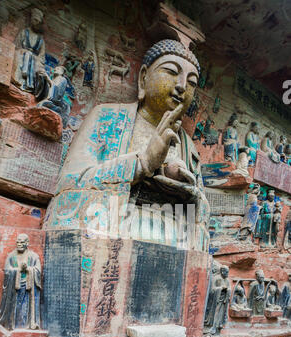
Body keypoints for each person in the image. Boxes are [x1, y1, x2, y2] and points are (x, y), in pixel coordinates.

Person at [45, 39, 210, 252]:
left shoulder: (189, 149)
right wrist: (143, 163)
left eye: (191, 82)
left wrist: (189, 190)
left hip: (173, 243)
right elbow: (70, 186)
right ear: (143, 78)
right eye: (170, 71)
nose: (181, 86)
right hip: (112, 235)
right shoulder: (107, 118)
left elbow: (203, 218)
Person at [0, 234, 42, 330]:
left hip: (28, 286)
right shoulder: (11, 256)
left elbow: (38, 271)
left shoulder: (34, 256)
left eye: (22, 242)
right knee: (15, 308)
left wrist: (28, 269)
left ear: (27, 243)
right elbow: (7, 271)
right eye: (18, 242)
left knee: (26, 309)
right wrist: (18, 270)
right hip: (14, 286)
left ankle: (27, 325)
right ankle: (12, 325)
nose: (19, 244)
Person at [13, 8, 47, 93]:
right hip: (22, 55)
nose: (36, 23)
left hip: (34, 59)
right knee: (26, 56)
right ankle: (22, 80)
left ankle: (31, 85)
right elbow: (16, 45)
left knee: (36, 64)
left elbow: (42, 55)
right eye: (35, 20)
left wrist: (37, 58)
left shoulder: (41, 39)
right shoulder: (24, 32)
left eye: (38, 21)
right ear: (31, 20)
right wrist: (22, 50)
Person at [206, 265, 231, 335]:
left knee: (221, 315)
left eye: (228, 272)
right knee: (215, 314)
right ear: (222, 272)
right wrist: (220, 288)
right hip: (216, 300)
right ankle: (212, 327)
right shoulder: (216, 278)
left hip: (224, 301)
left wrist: (228, 290)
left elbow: (229, 288)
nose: (227, 274)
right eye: (226, 272)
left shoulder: (227, 280)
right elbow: (212, 289)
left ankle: (218, 328)